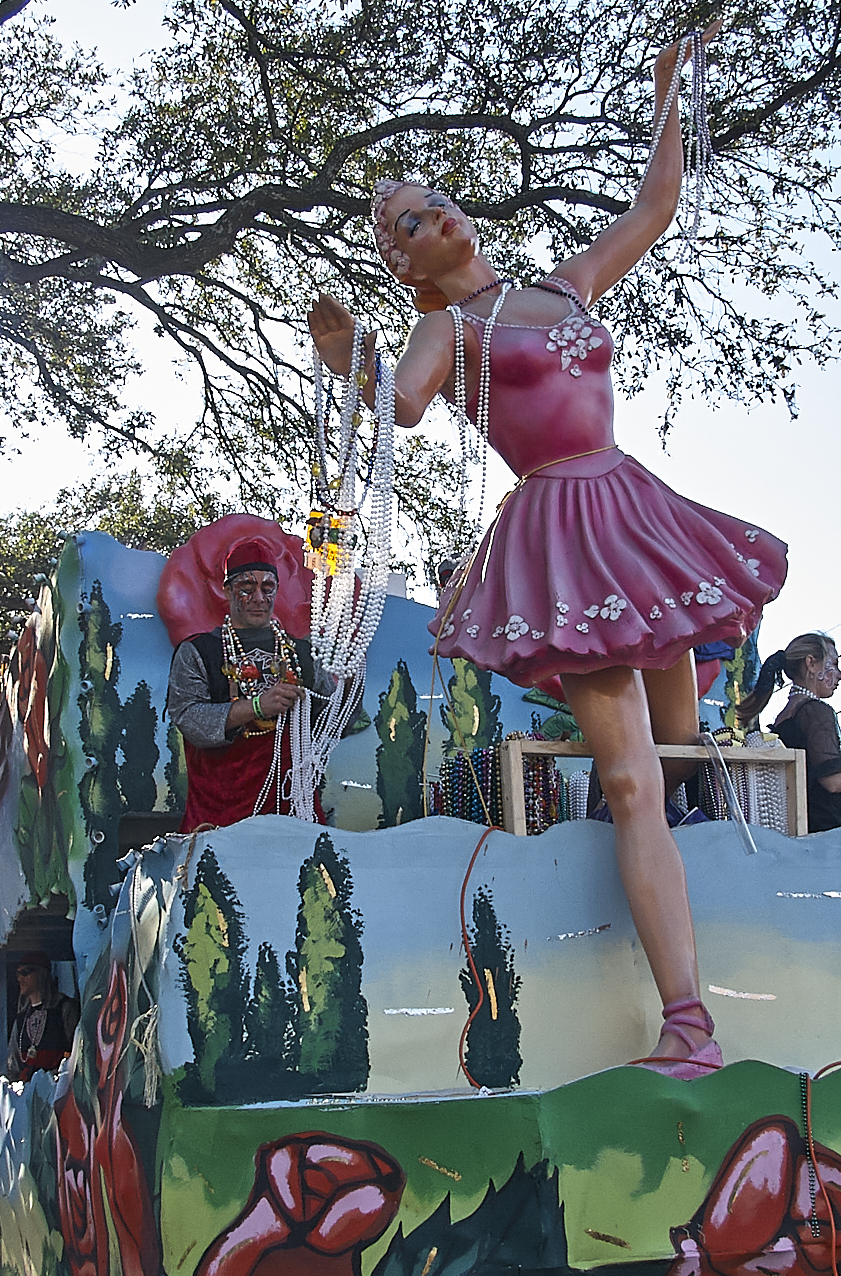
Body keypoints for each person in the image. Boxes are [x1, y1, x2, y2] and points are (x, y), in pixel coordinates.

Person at [308, 25, 788, 1077]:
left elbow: (652, 212)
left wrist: (666, 94)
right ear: (403, 260)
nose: (428, 216)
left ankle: (709, 878)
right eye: (403, 221)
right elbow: (401, 405)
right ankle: (688, 1022)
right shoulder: (452, 332)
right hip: (564, 533)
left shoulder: (566, 285)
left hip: (630, 506)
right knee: (631, 778)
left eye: (429, 200)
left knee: (675, 744)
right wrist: (350, 359)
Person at [167, 538, 338, 832]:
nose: (259, 597)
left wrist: (350, 680)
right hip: (220, 815)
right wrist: (257, 706)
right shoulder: (198, 651)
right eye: (247, 588)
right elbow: (189, 718)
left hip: (293, 812)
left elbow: (333, 721)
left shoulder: (302, 654)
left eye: (267, 587)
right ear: (227, 590)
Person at [737, 631, 841, 833]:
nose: (840, 675)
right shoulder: (817, 712)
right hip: (825, 837)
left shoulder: (785, 717)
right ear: (811, 663)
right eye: (834, 664)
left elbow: (812, 779)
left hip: (798, 831)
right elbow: (832, 781)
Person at [6, 951, 80, 1083]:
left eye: (25, 972)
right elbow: (14, 1063)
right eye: (18, 973)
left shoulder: (65, 1008)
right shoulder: (21, 1019)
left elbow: (78, 1051)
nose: (19, 979)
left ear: (41, 974)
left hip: (59, 1088)